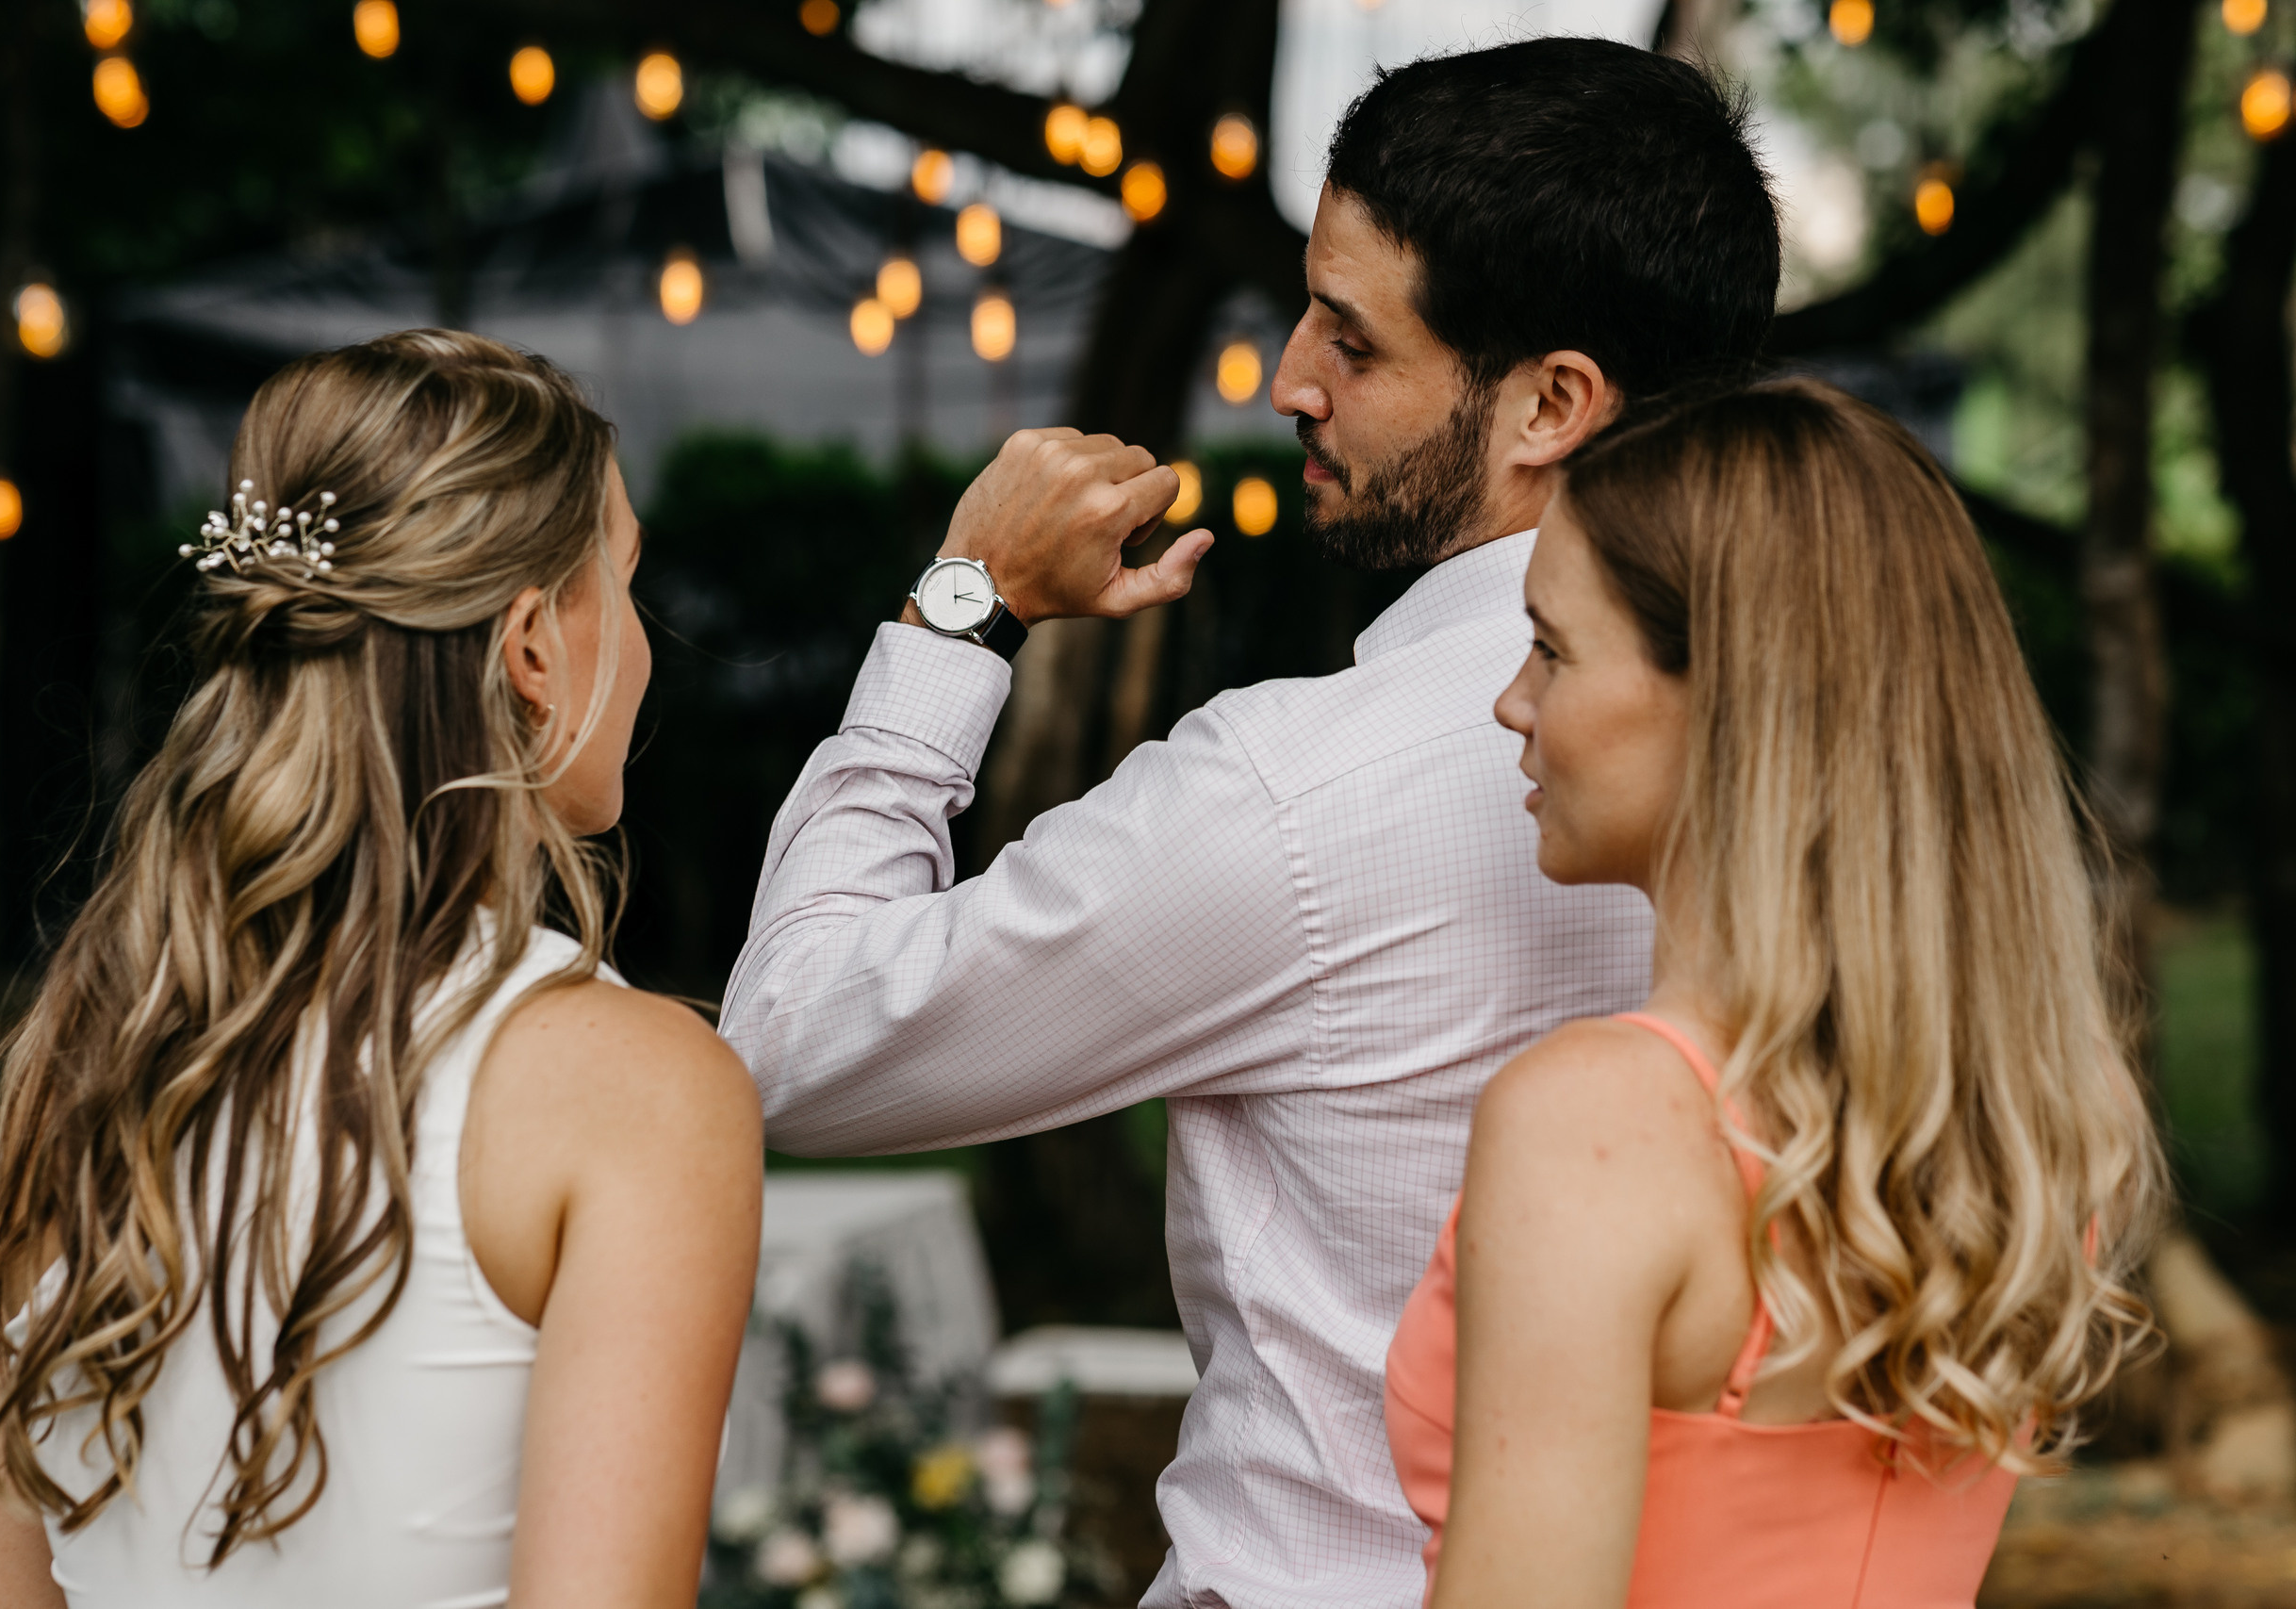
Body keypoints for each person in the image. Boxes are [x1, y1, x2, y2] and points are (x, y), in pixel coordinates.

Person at [721, 41, 1779, 1608]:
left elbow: (793, 1042)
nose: (1289, 380)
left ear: (1552, 403)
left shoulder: (1300, 795)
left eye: (1352, 338)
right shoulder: (1835, 750)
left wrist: (964, 606)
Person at [0, 330, 762, 1609]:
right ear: (532, 645)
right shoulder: (640, 1087)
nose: (645, 644)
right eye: (625, 583)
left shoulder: (89, 1043)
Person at [1384, 379, 2166, 1608]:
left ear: (1732, 702)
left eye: (1553, 648)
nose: (1513, 702)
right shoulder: (2049, 1103)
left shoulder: (1599, 1123)